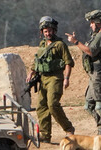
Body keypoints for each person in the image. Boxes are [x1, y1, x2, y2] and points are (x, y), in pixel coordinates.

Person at [66, 9, 101, 135]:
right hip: (98, 74)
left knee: (100, 104)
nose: (91, 25)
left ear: (98, 22)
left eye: (92, 23)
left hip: (99, 74)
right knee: (89, 105)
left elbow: (90, 51)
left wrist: (75, 42)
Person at [28, 15, 75, 144]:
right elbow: (37, 61)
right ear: (42, 32)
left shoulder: (60, 45)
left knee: (53, 104)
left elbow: (68, 62)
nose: (48, 33)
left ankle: (68, 128)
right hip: (43, 78)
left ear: (54, 31)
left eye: (50, 31)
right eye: (45, 31)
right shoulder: (42, 44)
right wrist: (31, 73)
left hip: (55, 77)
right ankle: (45, 134)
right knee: (41, 106)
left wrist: (66, 78)